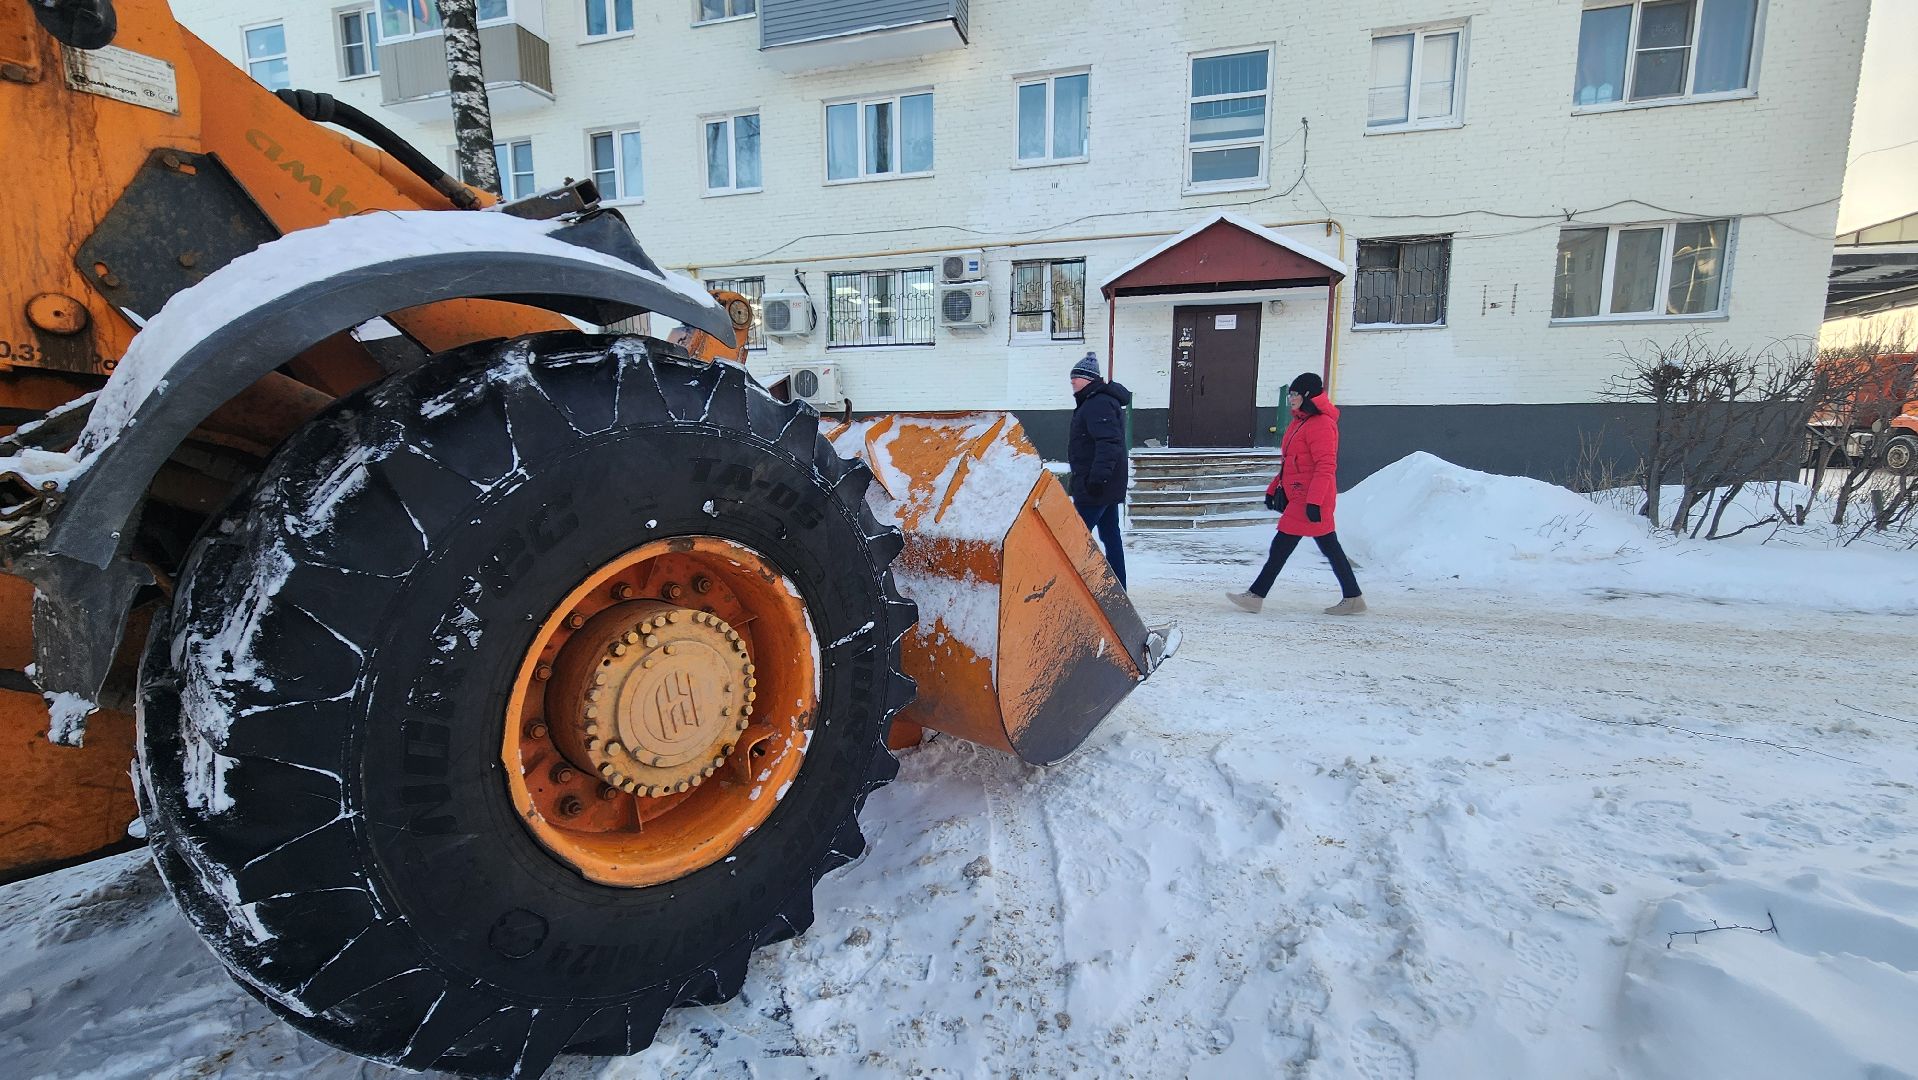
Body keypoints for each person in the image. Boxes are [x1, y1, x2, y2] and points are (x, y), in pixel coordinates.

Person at [1228, 372, 1366, 615]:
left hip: (1310, 499)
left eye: (1295, 394)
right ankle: (1353, 596)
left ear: (1308, 395)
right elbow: (1289, 463)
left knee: (1282, 546)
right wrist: (1273, 490)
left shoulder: (1322, 425)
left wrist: (1314, 502)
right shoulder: (1300, 421)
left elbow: (1325, 467)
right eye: (1290, 394)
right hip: (1300, 497)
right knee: (1328, 548)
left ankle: (1256, 595)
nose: (1290, 398)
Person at [1067, 352, 1131, 587]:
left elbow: (1108, 443)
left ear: (1088, 379)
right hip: (1103, 484)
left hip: (1096, 486)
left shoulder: (1098, 403)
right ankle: (1118, 589)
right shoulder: (1095, 401)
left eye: (1076, 377)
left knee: (1073, 537)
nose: (1072, 382)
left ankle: (1070, 587)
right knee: (1110, 536)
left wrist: (1097, 481)